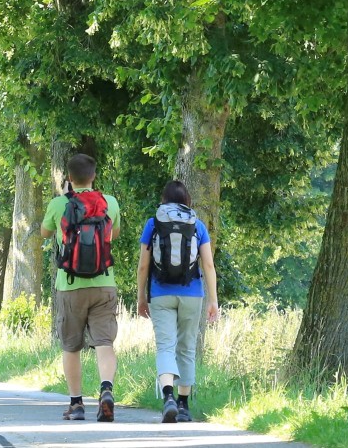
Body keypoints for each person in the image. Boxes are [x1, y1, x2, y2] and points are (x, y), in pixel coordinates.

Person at [42, 153, 123, 422]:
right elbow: (114, 234)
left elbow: (45, 232)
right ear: (94, 175)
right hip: (104, 283)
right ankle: (106, 390)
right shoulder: (109, 203)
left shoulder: (58, 204)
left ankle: (76, 404)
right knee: (104, 342)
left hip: (70, 284)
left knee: (71, 346)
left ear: (68, 178)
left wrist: (65, 199)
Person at [134, 181, 218, 424]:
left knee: (166, 347)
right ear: (187, 200)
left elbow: (143, 266)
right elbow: (209, 265)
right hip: (192, 293)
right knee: (187, 348)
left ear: (164, 199)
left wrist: (141, 296)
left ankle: (168, 397)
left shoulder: (153, 223)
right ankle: (183, 405)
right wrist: (213, 300)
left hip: (161, 293)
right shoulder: (198, 225)